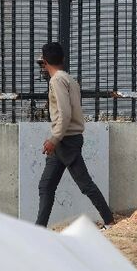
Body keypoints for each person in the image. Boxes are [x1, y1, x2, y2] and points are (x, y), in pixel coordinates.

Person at [35, 42, 115, 228]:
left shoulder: (56, 81)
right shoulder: (70, 79)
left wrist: (54, 139)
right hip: (66, 140)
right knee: (46, 186)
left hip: (65, 141)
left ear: (45, 62)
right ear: (62, 59)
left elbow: (65, 114)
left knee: (84, 184)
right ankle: (39, 230)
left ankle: (110, 221)